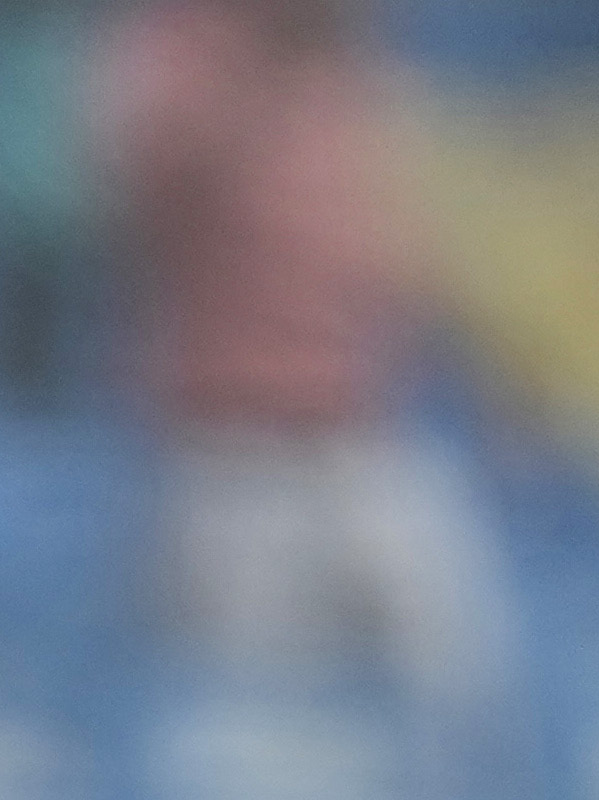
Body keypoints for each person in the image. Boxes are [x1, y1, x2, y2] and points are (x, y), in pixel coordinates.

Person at [100, 0, 509, 731]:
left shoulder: (358, 68)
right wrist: (247, 58)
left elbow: (395, 243)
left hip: (366, 433)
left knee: (463, 684)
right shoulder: (184, 45)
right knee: (263, 722)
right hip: (234, 449)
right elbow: (130, 175)